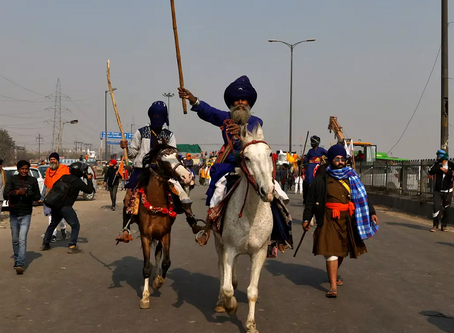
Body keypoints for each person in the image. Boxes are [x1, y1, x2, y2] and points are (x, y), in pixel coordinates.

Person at [179, 76, 293, 250]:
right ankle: (208, 229)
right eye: (236, 100)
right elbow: (208, 111)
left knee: (276, 193)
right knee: (217, 193)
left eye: (243, 99)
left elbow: (252, 136)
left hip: (253, 167)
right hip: (230, 167)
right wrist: (192, 98)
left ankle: (279, 234)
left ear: (249, 103)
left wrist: (240, 131)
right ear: (231, 103)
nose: (240, 102)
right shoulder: (225, 118)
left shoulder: (256, 122)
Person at [302, 144, 378, 298]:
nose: (340, 161)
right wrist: (306, 219)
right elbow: (311, 201)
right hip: (328, 219)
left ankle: (334, 274)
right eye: (337, 159)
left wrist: (371, 212)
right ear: (330, 160)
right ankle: (333, 286)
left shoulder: (352, 177)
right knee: (331, 251)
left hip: (347, 219)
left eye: (343, 159)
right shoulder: (321, 180)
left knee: (342, 251)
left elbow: (362, 197)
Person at [117, 101, 192, 241]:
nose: (157, 117)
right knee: (128, 196)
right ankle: (126, 228)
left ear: (164, 118)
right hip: (142, 171)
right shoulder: (141, 132)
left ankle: (190, 217)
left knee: (180, 192)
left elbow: (173, 153)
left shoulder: (169, 135)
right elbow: (133, 154)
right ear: (150, 116)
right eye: (154, 115)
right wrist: (125, 147)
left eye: (160, 115)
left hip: (162, 172)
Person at [41, 161, 94, 253]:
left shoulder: (64, 177)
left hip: (56, 204)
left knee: (53, 224)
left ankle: (45, 244)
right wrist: (89, 180)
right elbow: (89, 190)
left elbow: (54, 186)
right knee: (75, 225)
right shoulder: (77, 181)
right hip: (66, 206)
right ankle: (72, 246)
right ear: (79, 171)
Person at [5, 160, 41, 274]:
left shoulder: (32, 180)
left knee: (22, 239)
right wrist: (17, 192)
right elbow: (5, 194)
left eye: (26, 169)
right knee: (15, 239)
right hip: (14, 213)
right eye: (22, 169)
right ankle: (17, 259)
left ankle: (20, 263)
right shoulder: (12, 180)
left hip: (26, 213)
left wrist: (27, 193)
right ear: (18, 169)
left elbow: (37, 195)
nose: (24, 171)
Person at [428, 149, 454, 232]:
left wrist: (453, 174)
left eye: (439, 156)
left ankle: (444, 224)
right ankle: (435, 225)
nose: (438, 158)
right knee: (436, 207)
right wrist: (440, 168)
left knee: (447, 209)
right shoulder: (436, 165)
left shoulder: (452, 165)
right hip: (437, 191)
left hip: (448, 191)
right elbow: (430, 171)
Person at [44, 152, 69, 241]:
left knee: (60, 215)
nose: (52, 161)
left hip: (61, 196)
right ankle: (53, 234)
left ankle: (63, 228)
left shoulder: (64, 169)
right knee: (50, 215)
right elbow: (46, 183)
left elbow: (68, 182)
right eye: (51, 159)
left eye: (54, 159)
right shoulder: (48, 170)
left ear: (57, 160)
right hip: (50, 196)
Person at [303, 136, 329, 203]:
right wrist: (303, 161)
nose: (312, 143)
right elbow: (306, 159)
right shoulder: (310, 151)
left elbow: (328, 153)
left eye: (313, 142)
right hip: (310, 166)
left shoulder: (321, 150)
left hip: (318, 166)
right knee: (307, 179)